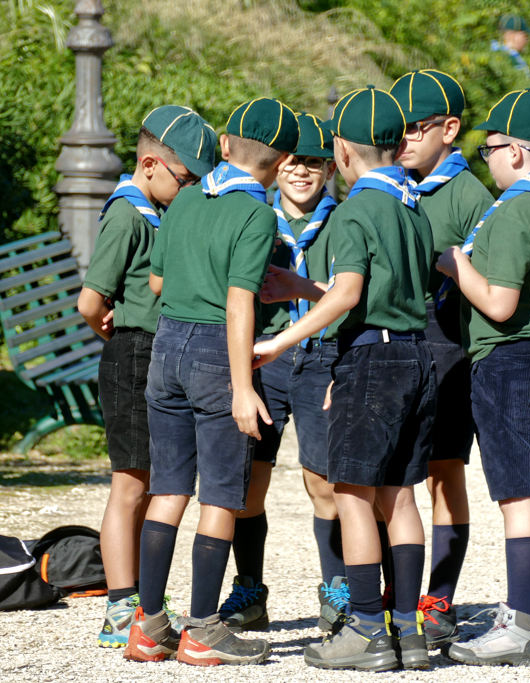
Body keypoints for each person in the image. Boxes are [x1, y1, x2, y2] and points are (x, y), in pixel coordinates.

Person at [252, 86, 436, 672]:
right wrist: (306, 289)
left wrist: (281, 339)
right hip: (416, 354)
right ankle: (407, 630)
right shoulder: (412, 206)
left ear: (342, 151)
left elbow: (353, 293)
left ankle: (363, 628)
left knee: (352, 495)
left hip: (370, 357)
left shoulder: (356, 210)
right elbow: (386, 287)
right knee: (400, 498)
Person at [123, 97, 300, 667]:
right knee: (222, 493)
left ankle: (149, 626)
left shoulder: (185, 199)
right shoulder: (257, 214)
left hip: (166, 347)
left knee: (168, 489)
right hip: (215, 353)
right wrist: (243, 385)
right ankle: (202, 629)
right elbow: (240, 301)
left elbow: (154, 283)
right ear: (281, 163)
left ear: (222, 146)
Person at [436, 89, 530, 667]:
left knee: (516, 494)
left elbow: (497, 304)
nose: (486, 158)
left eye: (490, 148)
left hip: (509, 359)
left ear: (517, 153)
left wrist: (455, 263)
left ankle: (519, 623)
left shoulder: (516, 208)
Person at [77, 105, 215, 649]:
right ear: (152, 164)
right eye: (186, 180)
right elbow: (91, 300)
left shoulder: (161, 211)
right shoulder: (128, 214)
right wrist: (113, 332)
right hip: (133, 354)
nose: (189, 191)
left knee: (156, 479)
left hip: (159, 353)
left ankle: (137, 594)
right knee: (130, 484)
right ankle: (120, 604)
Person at [215, 112, 348, 634]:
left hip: (322, 358)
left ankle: (336, 588)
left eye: (316, 164)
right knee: (250, 482)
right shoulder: (256, 216)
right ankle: (249, 589)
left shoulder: (345, 220)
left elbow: (353, 297)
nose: (302, 172)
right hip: (263, 359)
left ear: (330, 170)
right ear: (277, 164)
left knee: (325, 482)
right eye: (294, 162)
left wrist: (304, 287)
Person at [389, 69, 494, 649]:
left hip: (449, 341)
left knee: (444, 472)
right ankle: (390, 593)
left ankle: (439, 596)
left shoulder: (470, 195)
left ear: (449, 130)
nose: (401, 140)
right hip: (390, 344)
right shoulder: (385, 184)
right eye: (393, 130)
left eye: (414, 129)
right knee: (388, 473)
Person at [491, 15, 530, 79]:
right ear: (512, 36)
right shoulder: (514, 59)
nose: (527, 41)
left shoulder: (490, 50)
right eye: (525, 36)